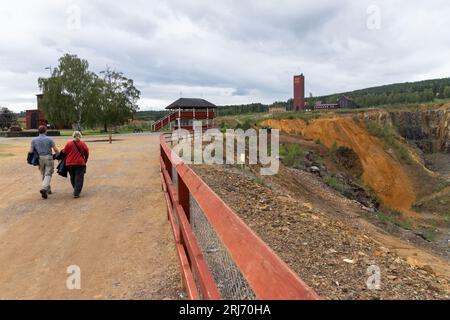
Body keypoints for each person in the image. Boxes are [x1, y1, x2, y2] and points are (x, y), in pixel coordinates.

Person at [30, 125, 59, 199]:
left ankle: (47, 190)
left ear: (38, 131)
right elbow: (55, 149)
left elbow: (31, 151)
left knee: (43, 174)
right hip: (48, 157)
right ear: (45, 131)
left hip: (40, 158)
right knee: (48, 173)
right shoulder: (49, 139)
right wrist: (58, 156)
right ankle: (44, 188)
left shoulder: (33, 140)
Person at [62, 131, 89, 199]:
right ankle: (76, 192)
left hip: (69, 163)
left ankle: (75, 189)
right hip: (80, 163)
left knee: (73, 177)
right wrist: (85, 160)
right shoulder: (83, 143)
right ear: (80, 136)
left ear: (73, 136)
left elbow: (64, 152)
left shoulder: (68, 143)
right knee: (79, 178)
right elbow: (86, 152)